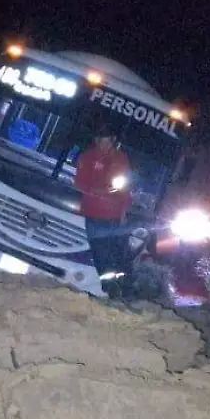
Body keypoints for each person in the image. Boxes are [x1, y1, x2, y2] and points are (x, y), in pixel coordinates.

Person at [75, 123, 133, 295]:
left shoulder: (121, 159)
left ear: (113, 141)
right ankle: (109, 286)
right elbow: (80, 182)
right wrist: (95, 190)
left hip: (114, 215)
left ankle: (124, 286)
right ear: (96, 141)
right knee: (99, 253)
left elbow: (125, 188)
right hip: (93, 214)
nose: (105, 146)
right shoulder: (87, 157)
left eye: (108, 142)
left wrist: (124, 212)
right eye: (102, 142)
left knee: (117, 252)